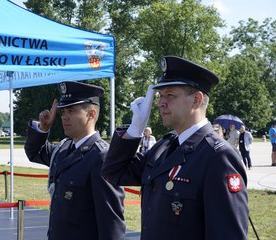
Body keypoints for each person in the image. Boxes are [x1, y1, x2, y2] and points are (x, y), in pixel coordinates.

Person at [102, 56, 248, 239]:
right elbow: (114, 172)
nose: (160, 103)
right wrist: (135, 129)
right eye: (160, 95)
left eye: (170, 95)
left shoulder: (218, 157)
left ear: (196, 100)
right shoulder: (163, 147)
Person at [24, 81, 126, 240]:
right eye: (63, 111)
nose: (64, 117)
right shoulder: (63, 149)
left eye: (71, 111)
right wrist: (44, 129)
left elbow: (111, 223)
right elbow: (34, 152)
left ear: (91, 114)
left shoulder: (101, 157)